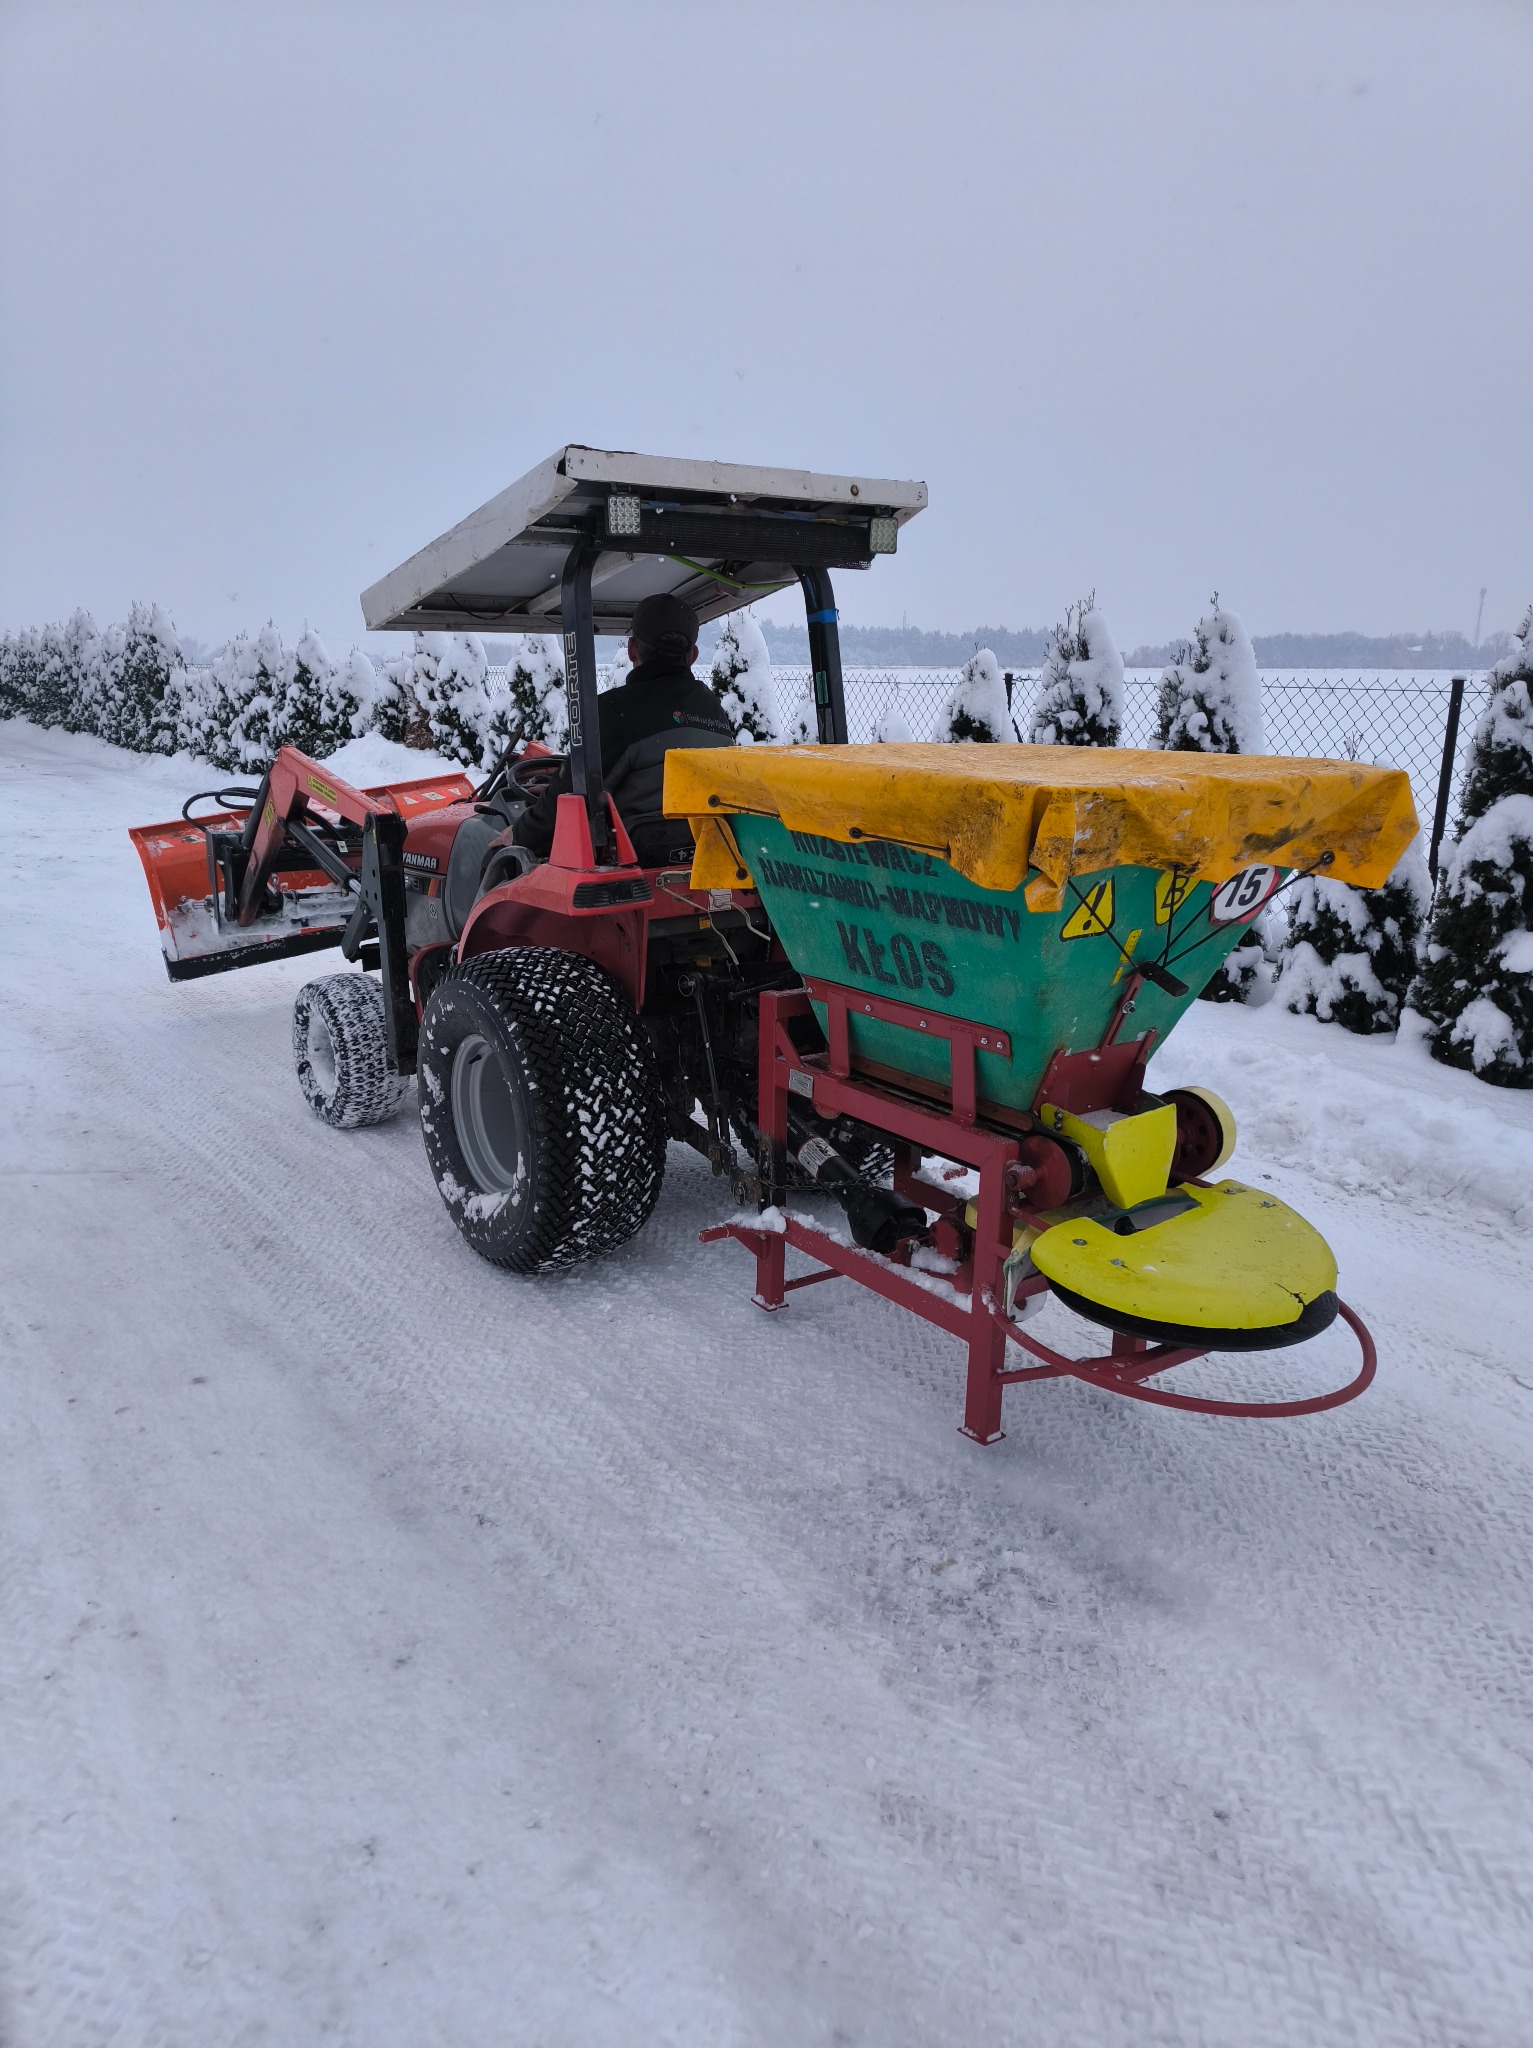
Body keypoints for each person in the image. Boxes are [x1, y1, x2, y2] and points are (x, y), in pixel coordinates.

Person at [513, 591, 736, 868]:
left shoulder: (615, 711)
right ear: (692, 656)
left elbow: (571, 795)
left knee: (490, 853)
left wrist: (518, 835)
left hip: (632, 869)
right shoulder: (713, 708)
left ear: (631, 649)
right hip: (706, 856)